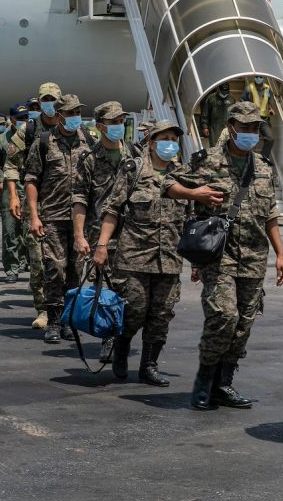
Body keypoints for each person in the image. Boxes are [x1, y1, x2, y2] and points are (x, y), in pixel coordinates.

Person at [165, 101, 283, 410]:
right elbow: (167, 183)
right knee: (224, 316)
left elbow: (270, 213)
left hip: (255, 258)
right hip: (219, 257)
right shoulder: (206, 162)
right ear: (231, 127)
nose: (250, 133)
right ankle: (204, 383)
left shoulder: (261, 166)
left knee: (243, 324)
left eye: (254, 128)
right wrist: (195, 194)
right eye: (244, 128)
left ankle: (224, 383)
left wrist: (281, 255)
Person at [94, 120, 190, 386]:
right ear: (151, 142)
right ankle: (122, 349)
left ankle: (149, 365)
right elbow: (112, 209)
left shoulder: (183, 174)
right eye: (164, 137)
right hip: (134, 257)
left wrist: (198, 261)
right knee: (134, 310)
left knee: (161, 315)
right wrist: (102, 246)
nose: (170, 142)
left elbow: (190, 221)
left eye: (174, 138)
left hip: (170, 258)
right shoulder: (133, 170)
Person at [25, 94, 91, 344]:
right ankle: (52, 320)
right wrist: (34, 215)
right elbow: (31, 180)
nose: (76, 117)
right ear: (60, 115)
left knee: (76, 271)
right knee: (55, 269)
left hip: (80, 219)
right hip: (52, 215)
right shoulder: (44, 142)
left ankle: (67, 321)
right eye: (71, 113)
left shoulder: (88, 141)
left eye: (78, 112)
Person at [72, 101, 133, 363]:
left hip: (135, 237)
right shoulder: (89, 160)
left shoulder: (135, 154)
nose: (119, 126)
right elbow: (79, 199)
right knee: (108, 291)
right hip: (101, 238)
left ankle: (122, 339)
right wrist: (79, 236)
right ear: (99, 126)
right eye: (113, 122)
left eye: (121, 121)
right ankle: (111, 341)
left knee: (132, 295)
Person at [5, 82, 62, 331]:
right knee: (38, 260)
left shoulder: (71, 130)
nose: (50, 105)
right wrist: (14, 197)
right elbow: (11, 165)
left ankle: (63, 311)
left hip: (64, 206)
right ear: (38, 104)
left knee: (63, 263)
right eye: (45, 100)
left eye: (54, 100)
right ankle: (43, 311)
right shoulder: (28, 131)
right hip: (34, 204)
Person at [0, 105, 27, 283]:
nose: (23, 121)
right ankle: (12, 268)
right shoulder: (1, 141)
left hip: (30, 189)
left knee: (29, 231)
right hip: (9, 190)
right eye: (19, 118)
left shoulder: (32, 136)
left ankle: (27, 263)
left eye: (25, 117)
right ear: (12, 119)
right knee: (10, 231)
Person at [240, 76, 275, 160]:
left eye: (260, 77)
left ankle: (263, 158)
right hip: (252, 119)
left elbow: (270, 103)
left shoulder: (268, 89)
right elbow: (241, 101)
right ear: (254, 78)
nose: (258, 78)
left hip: (263, 120)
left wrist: (271, 109)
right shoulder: (249, 88)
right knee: (250, 139)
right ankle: (247, 159)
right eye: (257, 77)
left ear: (263, 78)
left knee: (270, 138)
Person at [200, 83, 234, 148]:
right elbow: (205, 113)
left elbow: (235, 113)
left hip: (227, 127)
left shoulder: (231, 98)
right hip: (214, 128)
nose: (224, 94)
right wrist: (205, 127)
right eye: (223, 92)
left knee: (227, 146)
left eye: (226, 92)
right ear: (218, 89)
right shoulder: (211, 98)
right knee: (214, 146)